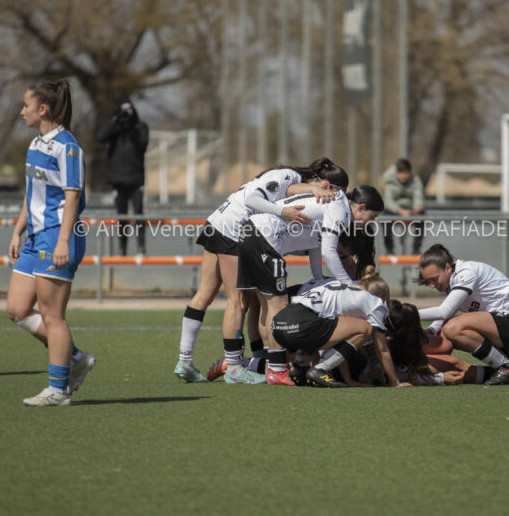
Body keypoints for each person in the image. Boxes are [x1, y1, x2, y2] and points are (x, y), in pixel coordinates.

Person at [174, 158, 348, 384]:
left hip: (218, 222)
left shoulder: (296, 183)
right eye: (327, 188)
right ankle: (234, 368)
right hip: (232, 230)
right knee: (238, 302)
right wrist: (283, 211)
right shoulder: (286, 175)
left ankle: (185, 361)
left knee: (206, 294)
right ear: (321, 182)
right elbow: (252, 199)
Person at [236, 185, 384, 385]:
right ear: (360, 207)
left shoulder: (335, 204)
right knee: (277, 305)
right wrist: (348, 285)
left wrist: (317, 277)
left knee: (267, 305)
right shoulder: (339, 208)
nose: (371, 222)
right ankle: (276, 370)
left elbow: (316, 244)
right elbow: (328, 252)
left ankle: (270, 366)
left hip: (253, 234)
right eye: (372, 216)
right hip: (264, 239)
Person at [7, 79, 95, 406]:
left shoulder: (67, 147)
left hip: (60, 236)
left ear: (42, 109)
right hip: (34, 237)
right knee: (16, 309)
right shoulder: (35, 144)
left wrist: (62, 242)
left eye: (26, 106)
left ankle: (58, 391)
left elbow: (72, 198)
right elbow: (31, 195)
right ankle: (75, 357)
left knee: (52, 315)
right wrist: (17, 231)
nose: (22, 111)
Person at [415, 244, 509, 385]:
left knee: (452, 329)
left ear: (448, 267)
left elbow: (444, 311)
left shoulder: (465, 272)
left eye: (434, 279)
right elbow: (451, 310)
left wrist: (409, 314)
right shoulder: (452, 278)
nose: (431, 285)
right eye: (428, 281)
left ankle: (505, 365)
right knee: (443, 336)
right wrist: (431, 330)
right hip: (508, 325)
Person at [272, 266, 410, 388]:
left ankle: (299, 367)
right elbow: (383, 350)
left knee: (324, 326)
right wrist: (395, 382)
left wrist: (348, 380)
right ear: (383, 296)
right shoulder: (375, 302)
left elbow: (339, 342)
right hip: (302, 326)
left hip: (279, 325)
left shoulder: (345, 288)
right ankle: (319, 369)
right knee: (366, 328)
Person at [385, 299, 509, 386]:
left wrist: (432, 328)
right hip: (381, 369)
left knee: (446, 345)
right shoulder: (377, 345)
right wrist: (440, 378)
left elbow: (445, 345)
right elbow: (387, 378)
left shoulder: (386, 334)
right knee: (452, 361)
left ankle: (506, 361)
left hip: (396, 357)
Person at [95, 98, 149, 256]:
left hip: (135, 179)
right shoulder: (115, 128)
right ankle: (122, 249)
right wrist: (116, 120)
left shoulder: (140, 127)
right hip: (117, 180)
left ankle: (141, 248)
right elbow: (100, 137)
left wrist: (131, 124)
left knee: (138, 214)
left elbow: (142, 144)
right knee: (121, 216)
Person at [380, 158, 425, 255]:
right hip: (395, 210)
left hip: (410, 209)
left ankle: (416, 249)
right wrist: (400, 211)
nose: (403, 176)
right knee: (385, 218)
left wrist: (417, 206)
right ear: (396, 173)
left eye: (406, 173)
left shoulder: (416, 180)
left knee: (422, 217)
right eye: (401, 173)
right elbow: (388, 201)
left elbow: (418, 196)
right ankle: (390, 249)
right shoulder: (390, 181)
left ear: (410, 173)